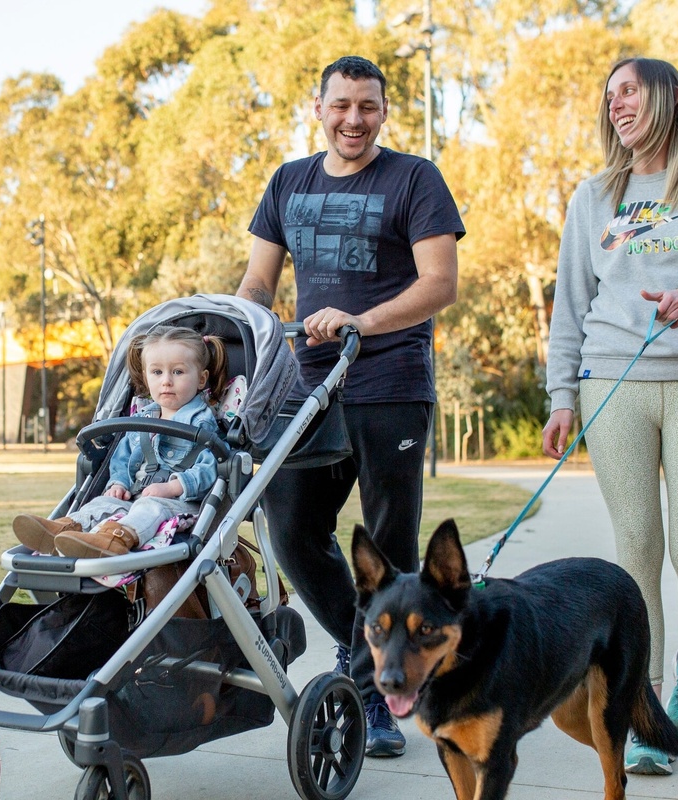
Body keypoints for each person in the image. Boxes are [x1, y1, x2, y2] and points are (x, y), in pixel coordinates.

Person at [238, 55, 463, 758]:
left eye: (368, 107)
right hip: (307, 388)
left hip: (390, 382)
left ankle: (373, 689)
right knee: (295, 531)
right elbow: (257, 279)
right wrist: (235, 331)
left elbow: (440, 284)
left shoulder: (414, 179)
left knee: (391, 548)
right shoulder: (287, 182)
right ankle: (362, 655)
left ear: (383, 112)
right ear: (318, 107)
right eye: (341, 106)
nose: (353, 120)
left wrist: (363, 321)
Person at [542, 56, 678, 776]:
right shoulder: (594, 195)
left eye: (628, 90)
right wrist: (561, 396)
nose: (616, 105)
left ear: (667, 96)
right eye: (608, 97)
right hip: (613, 381)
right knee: (636, 551)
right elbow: (570, 303)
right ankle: (646, 710)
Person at [14, 326, 230, 558]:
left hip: (179, 504)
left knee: (149, 508)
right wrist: (118, 484)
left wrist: (171, 487)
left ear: (201, 379)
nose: (166, 381)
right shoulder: (141, 419)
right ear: (146, 377)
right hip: (135, 496)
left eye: (178, 372)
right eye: (157, 372)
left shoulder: (202, 423)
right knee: (103, 503)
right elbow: (123, 458)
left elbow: (211, 468)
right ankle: (63, 529)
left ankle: (112, 540)